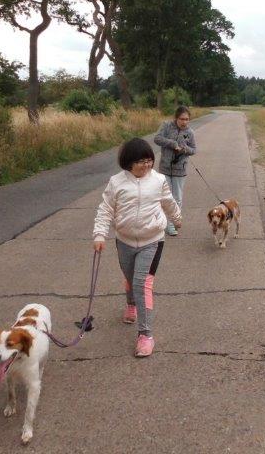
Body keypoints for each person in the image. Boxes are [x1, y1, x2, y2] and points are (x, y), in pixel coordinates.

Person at [91, 137, 182, 357]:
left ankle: (145, 335)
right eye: (141, 161)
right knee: (130, 278)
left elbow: (168, 202)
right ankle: (131, 304)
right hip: (124, 240)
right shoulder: (116, 182)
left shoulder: (158, 180)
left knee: (142, 284)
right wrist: (100, 234)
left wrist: (177, 218)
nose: (146, 165)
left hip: (153, 240)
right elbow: (105, 209)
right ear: (129, 162)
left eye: (149, 160)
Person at [154, 106, 196, 236]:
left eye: (187, 119)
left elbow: (194, 150)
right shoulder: (166, 126)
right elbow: (157, 139)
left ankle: (172, 224)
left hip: (180, 170)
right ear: (176, 118)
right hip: (165, 168)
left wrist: (185, 149)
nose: (184, 122)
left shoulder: (190, 132)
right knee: (165, 197)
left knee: (177, 198)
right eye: (182, 119)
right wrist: (172, 143)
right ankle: (164, 222)